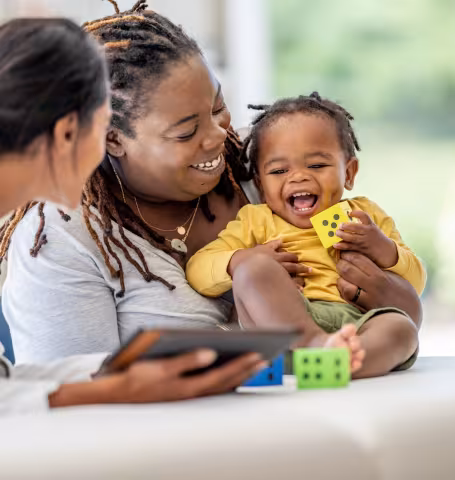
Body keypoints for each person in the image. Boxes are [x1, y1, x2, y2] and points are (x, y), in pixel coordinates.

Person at [1, 1, 422, 367]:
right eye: (186, 132)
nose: (219, 135)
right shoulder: (62, 239)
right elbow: (73, 403)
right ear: (112, 138)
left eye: (218, 107)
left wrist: (385, 285)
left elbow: (404, 314)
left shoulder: (270, 171)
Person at [0, 17, 265, 414]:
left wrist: (120, 380)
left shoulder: (262, 167)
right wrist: (116, 389)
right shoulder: (58, 233)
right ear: (72, 132)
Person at [187, 93, 426, 378]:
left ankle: (339, 364)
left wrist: (383, 248)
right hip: (287, 326)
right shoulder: (257, 220)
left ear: (348, 173)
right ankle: (315, 346)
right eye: (279, 170)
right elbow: (198, 270)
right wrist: (241, 260)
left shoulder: (363, 215)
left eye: (316, 166)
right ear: (262, 185)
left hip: (359, 324)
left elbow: (415, 281)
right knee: (253, 270)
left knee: (401, 328)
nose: (298, 177)